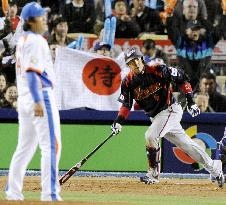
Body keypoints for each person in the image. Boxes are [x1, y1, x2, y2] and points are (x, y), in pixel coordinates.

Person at [111, 47, 224, 187]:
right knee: (187, 145)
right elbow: (126, 105)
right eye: (131, 63)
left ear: (141, 59)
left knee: (150, 136)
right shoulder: (128, 82)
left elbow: (182, 79)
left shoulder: (158, 70)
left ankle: (153, 174)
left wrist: (191, 102)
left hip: (170, 110)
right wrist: (118, 121)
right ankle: (215, 167)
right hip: (156, 117)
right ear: (128, 66)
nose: (135, 64)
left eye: (136, 60)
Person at [5, 2, 62, 201]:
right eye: (40, 16)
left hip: (24, 98)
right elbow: (32, 73)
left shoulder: (22, 40)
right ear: (30, 20)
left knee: (25, 147)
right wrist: (38, 100)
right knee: (52, 146)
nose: (45, 19)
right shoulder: (36, 41)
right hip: (40, 95)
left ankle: (12, 191)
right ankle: (50, 193)